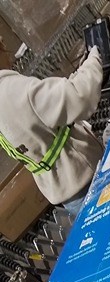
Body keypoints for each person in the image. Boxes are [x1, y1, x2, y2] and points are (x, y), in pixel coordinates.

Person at [0, 40, 104, 216]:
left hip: (66, 194)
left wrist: (76, 76)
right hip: (88, 182)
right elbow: (80, 96)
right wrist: (95, 57)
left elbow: (38, 115)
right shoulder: (11, 90)